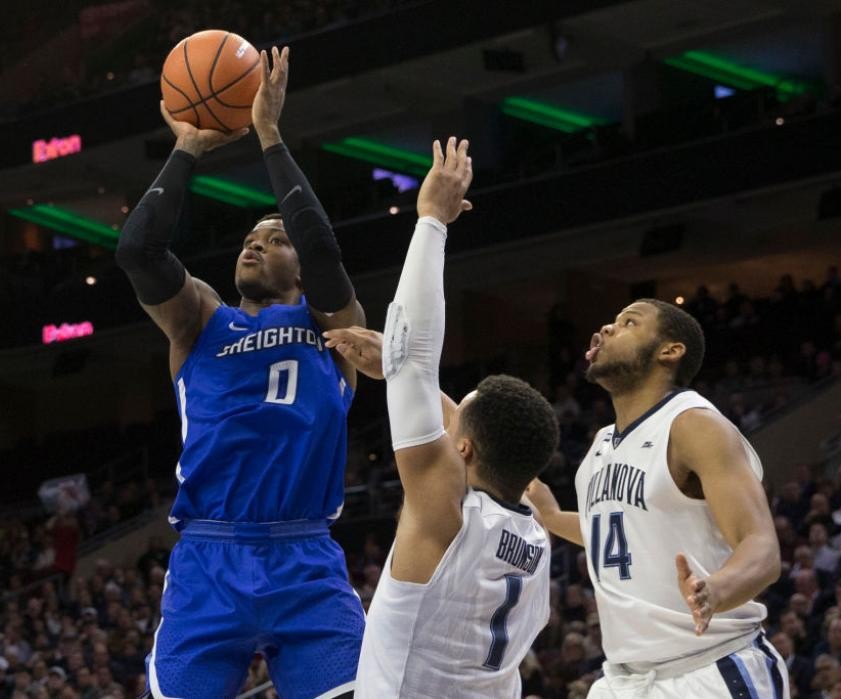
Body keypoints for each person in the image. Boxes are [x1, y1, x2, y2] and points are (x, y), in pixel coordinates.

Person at [116, 46, 365, 698]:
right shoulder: (201, 317)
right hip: (208, 556)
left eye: (275, 237)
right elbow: (138, 249)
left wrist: (270, 134)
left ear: (301, 268)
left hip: (303, 557)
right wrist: (191, 146)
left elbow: (323, 246)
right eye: (251, 236)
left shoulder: (334, 325)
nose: (256, 241)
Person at [324, 138, 560, 697]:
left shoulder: (444, 515)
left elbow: (414, 355)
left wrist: (432, 220)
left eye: (459, 415)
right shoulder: (534, 526)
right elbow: (486, 432)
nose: (450, 412)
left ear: (465, 448)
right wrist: (406, 377)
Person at [526, 299, 787, 697]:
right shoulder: (600, 446)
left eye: (629, 322)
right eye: (611, 322)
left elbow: (762, 547)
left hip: (708, 668)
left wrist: (716, 590)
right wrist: (550, 516)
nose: (609, 329)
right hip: (623, 680)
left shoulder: (694, 424)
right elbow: (623, 531)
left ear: (670, 350)